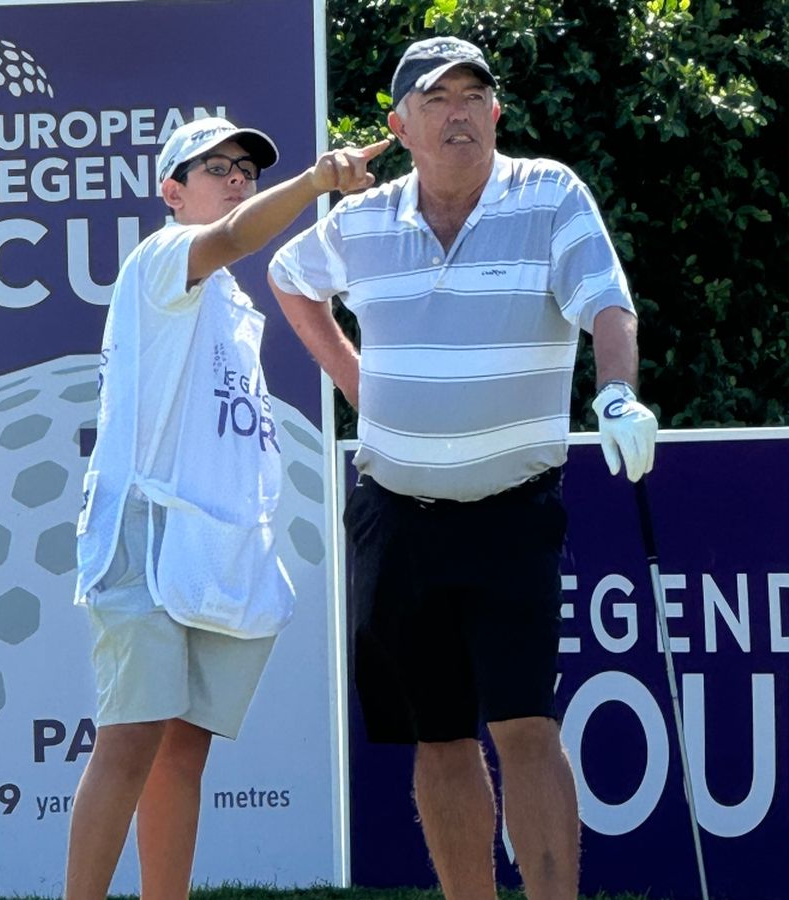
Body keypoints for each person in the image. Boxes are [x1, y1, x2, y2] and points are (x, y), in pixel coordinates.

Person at [267, 37, 658, 900]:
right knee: (437, 735)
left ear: (496, 113)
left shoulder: (550, 193)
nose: (459, 113)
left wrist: (620, 395)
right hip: (395, 513)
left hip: (511, 512)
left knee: (527, 726)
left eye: (474, 95)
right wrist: (358, 385)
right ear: (400, 124)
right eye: (436, 99)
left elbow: (607, 304)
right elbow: (289, 278)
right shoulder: (363, 222)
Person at [65, 116, 386, 900]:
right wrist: (314, 182)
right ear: (172, 193)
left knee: (183, 750)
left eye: (245, 165)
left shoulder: (235, 307)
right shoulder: (163, 257)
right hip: (146, 534)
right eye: (214, 167)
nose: (236, 176)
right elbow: (238, 235)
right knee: (132, 738)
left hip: (214, 544)